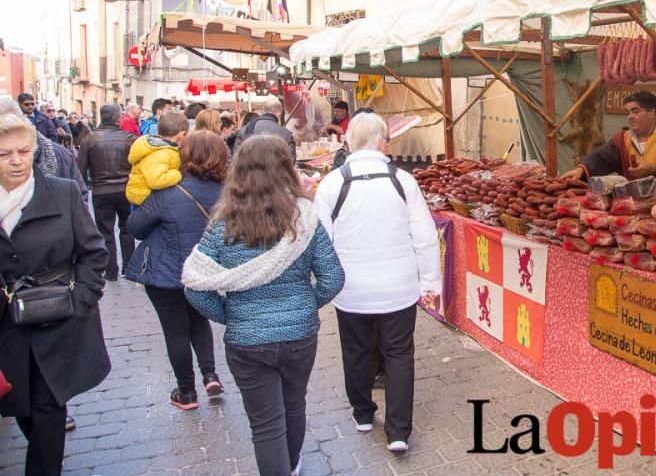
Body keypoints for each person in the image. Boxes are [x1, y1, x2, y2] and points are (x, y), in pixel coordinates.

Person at [183, 136, 344, 476]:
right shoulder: (305, 219)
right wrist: (304, 305)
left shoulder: (222, 226)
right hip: (299, 335)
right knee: (294, 403)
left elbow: (196, 286)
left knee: (265, 425)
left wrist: (230, 315)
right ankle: (293, 465)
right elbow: (332, 279)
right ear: (286, 169)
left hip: (246, 341)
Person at [313, 112, 441, 454]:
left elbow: (319, 241)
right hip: (398, 289)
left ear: (349, 141)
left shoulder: (331, 184)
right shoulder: (403, 181)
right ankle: (398, 431)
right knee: (399, 355)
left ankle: (363, 414)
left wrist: (324, 284)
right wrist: (430, 283)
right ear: (382, 142)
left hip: (351, 290)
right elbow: (425, 237)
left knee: (357, 352)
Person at [0, 114, 111, 476]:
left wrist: (82, 300)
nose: (16, 160)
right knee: (21, 405)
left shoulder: (62, 193)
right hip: (8, 326)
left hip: (58, 317)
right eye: (5, 154)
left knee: (49, 406)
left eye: (23, 151)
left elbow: (94, 252)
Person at [126, 132, 228, 410]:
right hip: (204, 271)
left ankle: (186, 392)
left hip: (165, 272)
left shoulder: (169, 191)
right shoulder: (228, 192)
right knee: (198, 321)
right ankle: (210, 375)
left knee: (175, 331)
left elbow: (136, 227)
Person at [560, 90, 656, 182]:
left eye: (635, 111)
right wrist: (580, 169)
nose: (630, 117)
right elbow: (600, 157)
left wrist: (654, 170)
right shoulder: (622, 139)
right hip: (630, 206)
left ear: (651, 112)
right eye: (628, 112)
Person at [78, 104, 136, 280]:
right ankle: (129, 267)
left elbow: (80, 170)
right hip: (125, 190)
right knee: (127, 228)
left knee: (106, 232)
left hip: (101, 191)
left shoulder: (89, 139)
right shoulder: (129, 139)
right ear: (118, 118)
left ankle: (111, 272)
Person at [126, 111, 189, 206]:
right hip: (145, 200)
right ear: (181, 135)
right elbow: (157, 181)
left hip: (149, 197)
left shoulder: (165, 148)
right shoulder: (160, 152)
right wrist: (179, 174)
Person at [233, 96, 296, 162]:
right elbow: (290, 163)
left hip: (249, 171)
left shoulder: (244, 130)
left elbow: (236, 160)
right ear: (279, 113)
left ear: (264, 111)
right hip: (276, 172)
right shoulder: (286, 133)